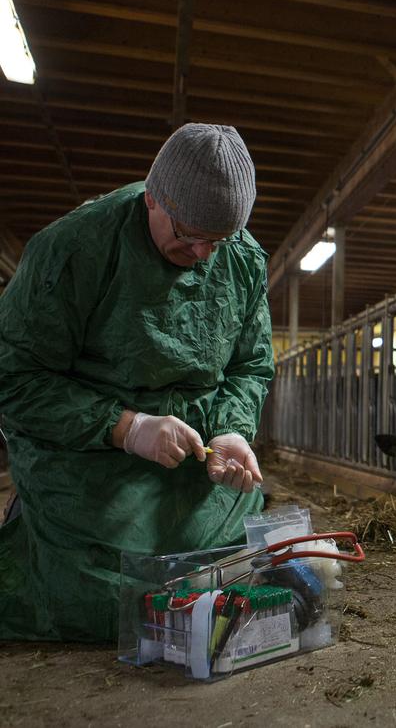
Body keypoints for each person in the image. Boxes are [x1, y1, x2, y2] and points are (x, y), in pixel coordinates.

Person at [0, 123, 274, 641]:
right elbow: (14, 377)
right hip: (90, 458)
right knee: (112, 602)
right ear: (153, 198)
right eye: (189, 235)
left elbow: (250, 364)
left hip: (194, 459)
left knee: (233, 576)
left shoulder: (241, 260)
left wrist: (233, 431)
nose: (202, 255)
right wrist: (124, 427)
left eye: (218, 240)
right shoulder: (73, 250)